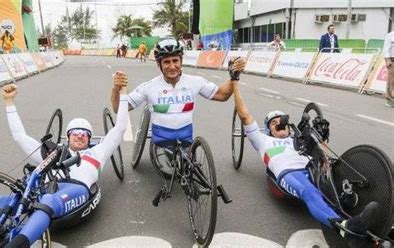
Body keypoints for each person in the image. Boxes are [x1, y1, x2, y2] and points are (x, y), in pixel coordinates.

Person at [230, 57, 380, 246]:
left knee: (344, 179)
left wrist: (321, 132)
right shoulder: (262, 140)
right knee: (309, 192)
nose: (279, 124)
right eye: (273, 123)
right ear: (268, 130)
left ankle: (374, 211)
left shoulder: (299, 137)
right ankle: (346, 228)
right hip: (289, 173)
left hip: (313, 167)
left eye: (281, 120)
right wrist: (235, 81)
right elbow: (244, 114)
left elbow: (322, 145)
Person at [0, 82, 129, 247]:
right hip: (47, 190)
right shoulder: (52, 153)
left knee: (49, 200)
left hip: (76, 189)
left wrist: (123, 93)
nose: (79, 136)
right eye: (75, 133)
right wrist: (9, 102)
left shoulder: (98, 152)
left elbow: (120, 128)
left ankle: (16, 245)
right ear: (68, 136)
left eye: (84, 133)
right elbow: (20, 137)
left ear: (89, 138)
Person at [110, 39, 236, 174]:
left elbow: (222, 95)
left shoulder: (195, 82)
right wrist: (115, 89)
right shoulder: (148, 87)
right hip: (161, 143)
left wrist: (234, 76)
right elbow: (119, 108)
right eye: (166, 62)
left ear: (181, 62)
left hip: (186, 141)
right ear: (159, 65)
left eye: (175, 61)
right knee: (170, 175)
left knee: (187, 172)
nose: (172, 66)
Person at [382, 31, 394, 107]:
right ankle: (390, 99)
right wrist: (387, 60)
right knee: (391, 81)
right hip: (392, 60)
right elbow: (386, 49)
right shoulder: (390, 35)